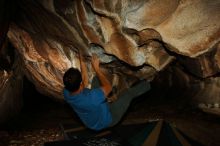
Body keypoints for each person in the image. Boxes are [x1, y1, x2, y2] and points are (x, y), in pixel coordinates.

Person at [63, 54, 151, 131]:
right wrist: (97, 69)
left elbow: (84, 82)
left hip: (92, 119)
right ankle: (149, 83)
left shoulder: (66, 92)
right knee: (128, 94)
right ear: (80, 84)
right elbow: (108, 87)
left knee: (95, 79)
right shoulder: (90, 98)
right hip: (108, 119)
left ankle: (109, 97)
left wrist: (81, 59)